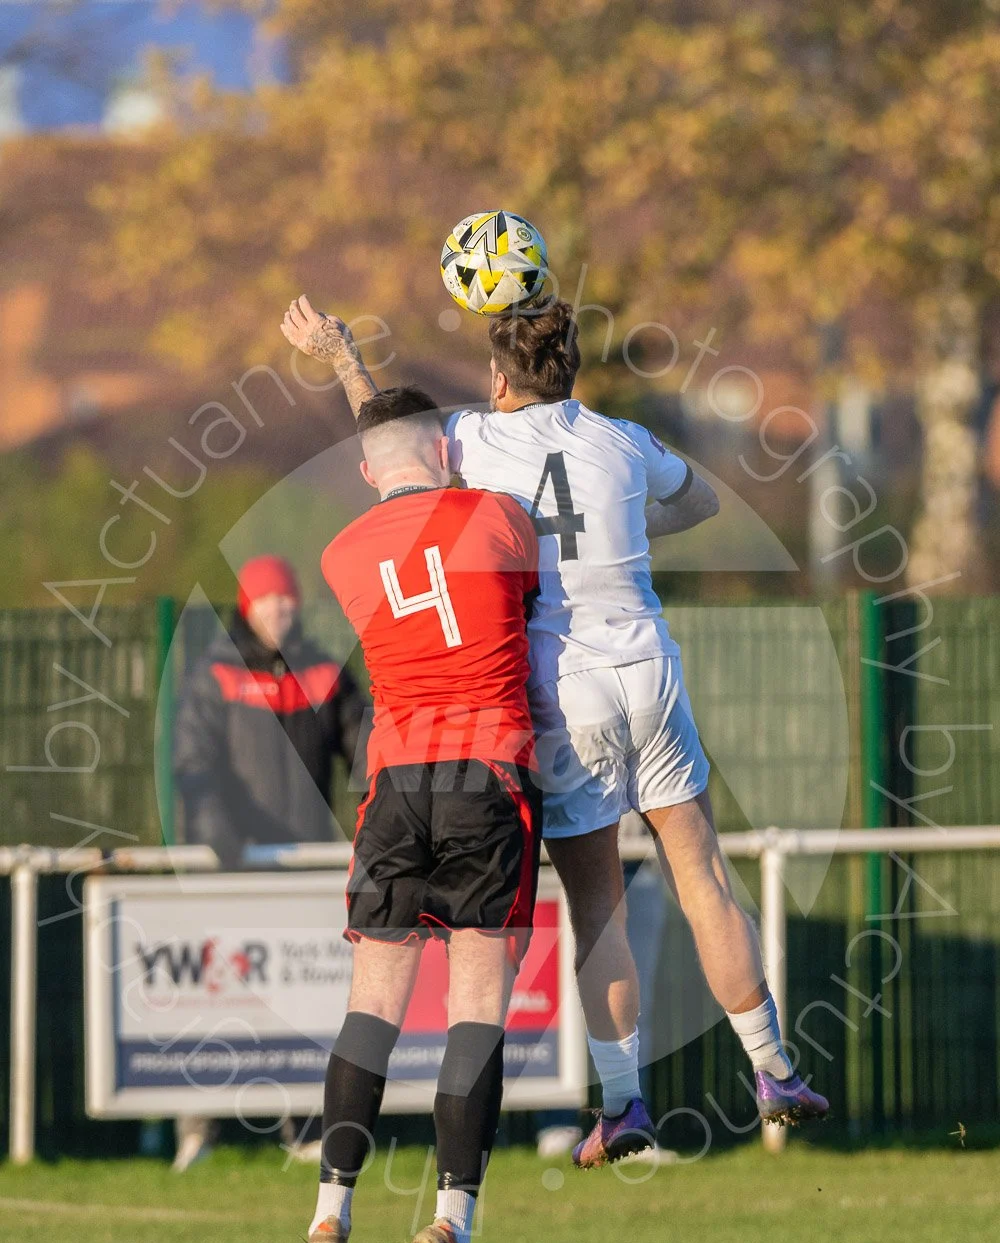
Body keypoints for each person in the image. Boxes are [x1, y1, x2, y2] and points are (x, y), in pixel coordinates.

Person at [280, 294, 828, 1172]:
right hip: (647, 664)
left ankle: (624, 1105)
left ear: (498, 377)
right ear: (569, 367)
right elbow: (697, 508)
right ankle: (773, 1068)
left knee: (598, 907)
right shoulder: (625, 441)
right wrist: (624, 520)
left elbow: (393, 443)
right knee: (704, 873)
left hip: (562, 690)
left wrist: (344, 354)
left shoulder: (475, 442)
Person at [298, 385, 542, 1243]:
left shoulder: (341, 552)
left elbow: (403, 489)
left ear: (365, 473)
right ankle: (451, 1221)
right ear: (447, 449)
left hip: (396, 780)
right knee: (476, 1003)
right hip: (490, 771)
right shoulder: (498, 515)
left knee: (374, 1006)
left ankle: (328, 1213)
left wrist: (353, 371)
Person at [172, 553, 368, 1171]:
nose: (279, 609)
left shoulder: (323, 673)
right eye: (267, 600)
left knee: (305, 1002)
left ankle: (306, 1127)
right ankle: (197, 1130)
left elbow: (365, 745)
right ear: (247, 606)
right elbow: (193, 764)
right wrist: (214, 830)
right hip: (231, 870)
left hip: (302, 867)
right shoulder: (213, 677)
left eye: (287, 599)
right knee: (215, 999)